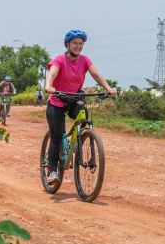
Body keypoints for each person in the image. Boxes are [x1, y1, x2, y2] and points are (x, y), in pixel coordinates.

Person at [43, 29, 117, 186]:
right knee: (56, 137)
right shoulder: (59, 60)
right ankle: (52, 171)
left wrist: (108, 88)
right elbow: (52, 73)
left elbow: (96, 75)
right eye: (75, 43)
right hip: (57, 100)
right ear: (68, 44)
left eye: (80, 43)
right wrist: (49, 85)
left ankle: (80, 138)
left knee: (84, 111)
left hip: (73, 98)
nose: (78, 46)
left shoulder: (84, 60)